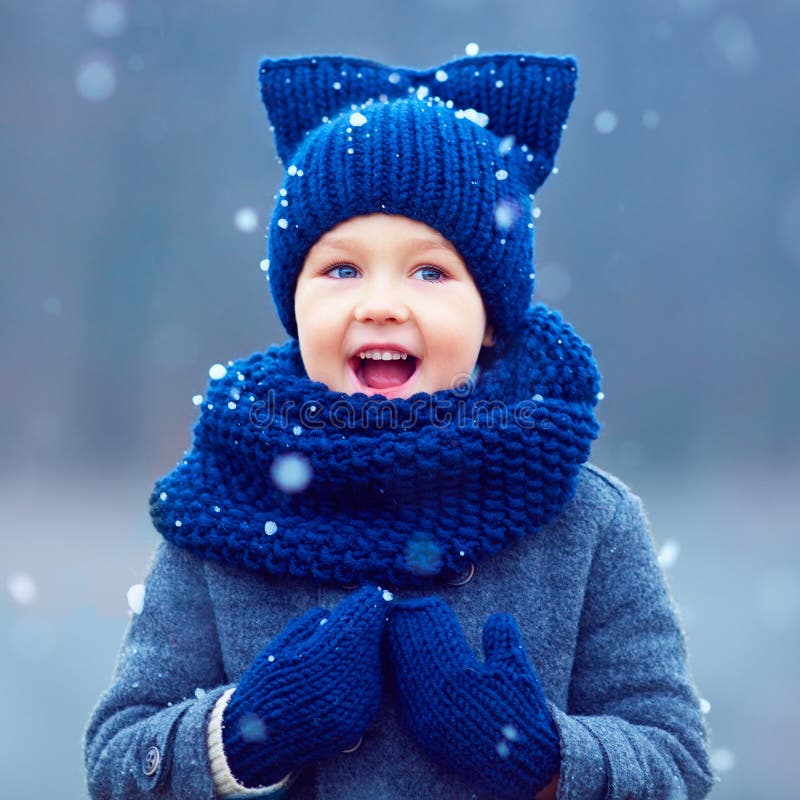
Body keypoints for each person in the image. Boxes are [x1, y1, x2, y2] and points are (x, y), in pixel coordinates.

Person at [84, 51, 717, 800]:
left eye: (429, 273)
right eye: (342, 270)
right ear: (296, 309)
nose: (381, 303)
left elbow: (675, 765)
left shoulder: (587, 522)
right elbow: (118, 761)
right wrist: (243, 731)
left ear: (491, 320)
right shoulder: (224, 507)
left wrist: (543, 757)